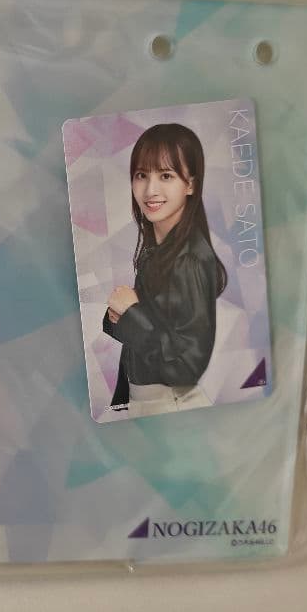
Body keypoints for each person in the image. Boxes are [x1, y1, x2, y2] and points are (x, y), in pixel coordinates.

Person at [102, 123, 227, 419]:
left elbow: (187, 366)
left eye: (166, 175)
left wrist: (131, 313)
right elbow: (152, 337)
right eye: (141, 175)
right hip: (147, 403)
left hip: (169, 405)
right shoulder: (158, 252)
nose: (150, 190)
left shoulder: (189, 261)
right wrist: (122, 316)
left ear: (190, 185)